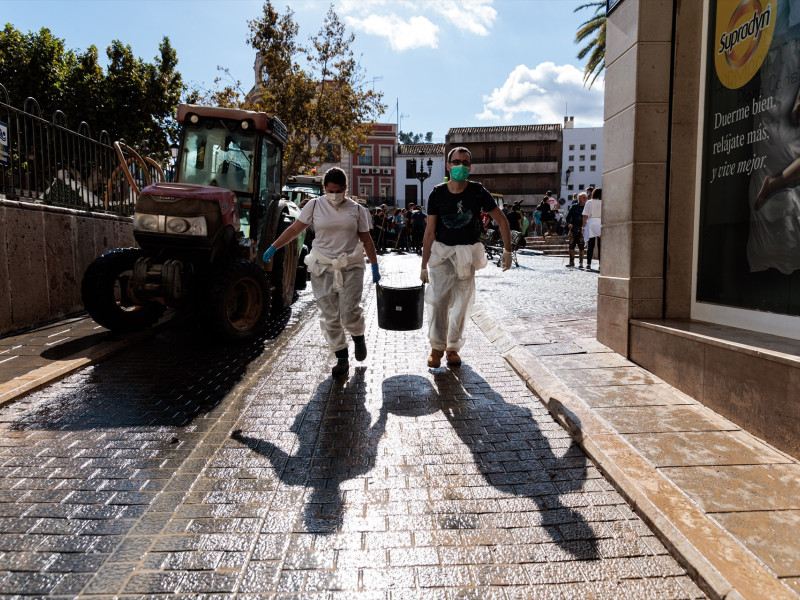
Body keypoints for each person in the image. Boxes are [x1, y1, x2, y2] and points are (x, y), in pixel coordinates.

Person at [262, 167, 380, 378]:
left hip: (350, 265)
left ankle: (358, 335)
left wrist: (374, 265)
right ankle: (342, 357)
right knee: (329, 314)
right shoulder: (314, 205)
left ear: (345, 188)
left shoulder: (357, 210)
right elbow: (295, 229)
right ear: (324, 188)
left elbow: (366, 239)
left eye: (338, 190)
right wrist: (274, 246)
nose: (334, 195)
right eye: (330, 190)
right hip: (322, 265)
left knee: (349, 311)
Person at [420, 146, 512, 368]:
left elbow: (502, 220)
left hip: (467, 255)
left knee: (462, 303)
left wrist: (507, 251)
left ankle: (452, 348)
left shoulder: (478, 191)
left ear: (470, 167)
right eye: (456, 161)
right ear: (448, 165)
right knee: (438, 299)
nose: (460, 165)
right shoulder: (437, 193)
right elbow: (430, 231)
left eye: (465, 162)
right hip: (442, 254)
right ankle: (436, 347)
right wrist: (423, 264)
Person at [582, 187, 602, 271]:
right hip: (600, 223)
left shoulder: (589, 202)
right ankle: (601, 265)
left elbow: (585, 216)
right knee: (600, 246)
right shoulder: (604, 202)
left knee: (591, 245)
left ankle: (588, 264)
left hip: (591, 223)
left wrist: (583, 227)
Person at [565, 192, 587, 268]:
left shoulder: (587, 207)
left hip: (582, 229)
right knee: (571, 246)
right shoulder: (574, 206)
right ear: (579, 199)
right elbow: (568, 217)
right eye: (583, 198)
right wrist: (569, 224)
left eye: (586, 198)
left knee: (581, 246)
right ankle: (571, 262)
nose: (585, 199)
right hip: (573, 228)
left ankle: (581, 263)